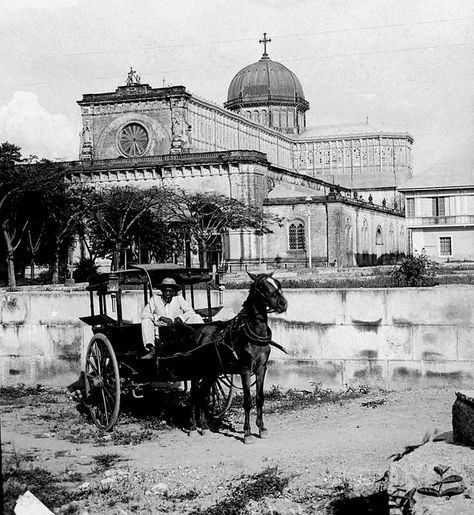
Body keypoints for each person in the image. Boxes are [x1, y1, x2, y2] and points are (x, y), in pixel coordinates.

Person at [141, 277, 203, 359]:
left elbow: (191, 312)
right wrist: (159, 317)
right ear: (162, 291)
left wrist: (181, 318)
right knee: (146, 321)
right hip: (161, 332)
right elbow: (144, 314)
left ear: (174, 292)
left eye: (170, 291)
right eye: (165, 291)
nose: (167, 294)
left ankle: (201, 344)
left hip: (178, 332)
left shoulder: (179, 299)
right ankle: (152, 349)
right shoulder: (155, 300)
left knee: (196, 317)